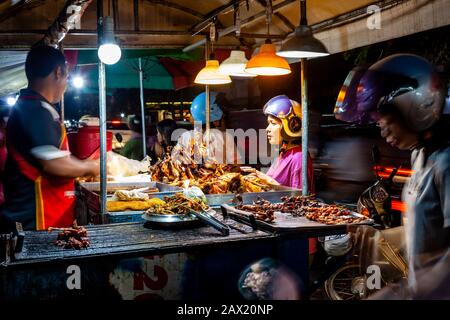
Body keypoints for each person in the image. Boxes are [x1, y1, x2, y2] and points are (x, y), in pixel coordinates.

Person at [335, 54, 449, 298]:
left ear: (416, 109)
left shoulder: (446, 163)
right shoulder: (419, 156)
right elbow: (424, 232)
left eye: (385, 120)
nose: (382, 131)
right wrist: (378, 237)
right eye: (377, 123)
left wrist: (402, 293)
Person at [0, 45, 99, 231]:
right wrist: (92, 166)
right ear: (58, 71)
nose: (66, 84)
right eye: (67, 77)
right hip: (36, 223)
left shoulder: (30, 107)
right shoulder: (36, 110)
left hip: (42, 221)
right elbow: (52, 163)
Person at [174, 91, 242, 165]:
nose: (227, 123)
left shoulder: (185, 136)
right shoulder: (225, 137)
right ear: (216, 120)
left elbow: (175, 161)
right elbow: (237, 165)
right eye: (224, 118)